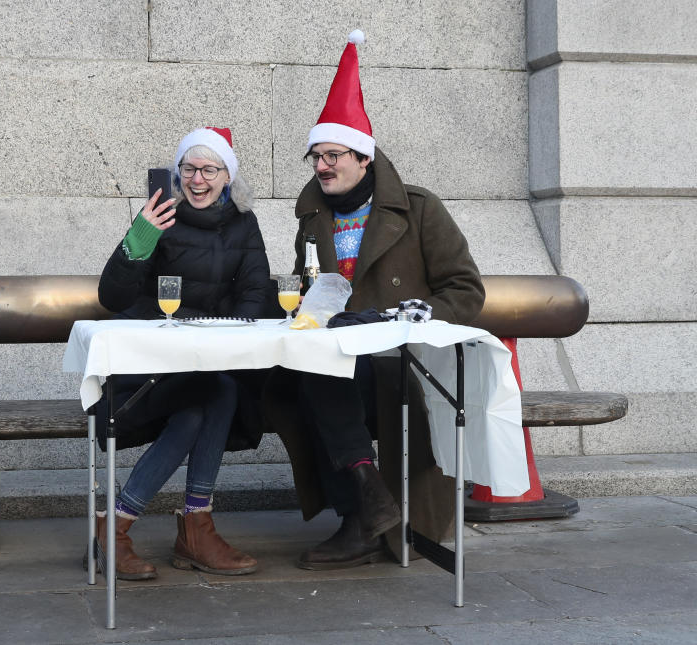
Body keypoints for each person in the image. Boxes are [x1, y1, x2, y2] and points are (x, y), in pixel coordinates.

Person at [265, 31, 485, 570]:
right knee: (299, 376)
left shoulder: (419, 210)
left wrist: (406, 320)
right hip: (340, 359)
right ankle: (367, 502)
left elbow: (466, 291)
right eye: (316, 155)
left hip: (404, 359)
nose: (322, 165)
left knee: (323, 376)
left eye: (332, 154)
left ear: (363, 158)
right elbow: (313, 287)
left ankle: (360, 517)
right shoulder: (312, 217)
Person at [94, 127, 270, 580]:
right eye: (189, 169)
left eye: (210, 170)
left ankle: (126, 528)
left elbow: (254, 293)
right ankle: (184, 527)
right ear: (177, 174)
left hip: (207, 359)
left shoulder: (243, 223)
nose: (197, 180)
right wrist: (139, 236)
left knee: (218, 391)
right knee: (204, 403)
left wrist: (231, 339)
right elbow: (112, 297)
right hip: (149, 360)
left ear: (227, 177)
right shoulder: (160, 216)